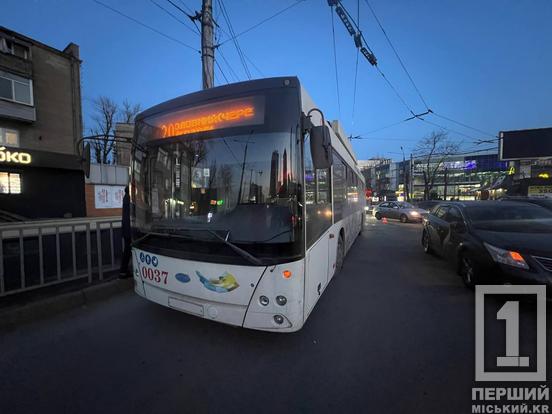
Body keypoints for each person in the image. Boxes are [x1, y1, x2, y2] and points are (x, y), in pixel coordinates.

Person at [119, 186, 131, 278]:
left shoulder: (125, 198)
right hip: (129, 230)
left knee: (127, 250)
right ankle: (123, 271)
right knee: (128, 250)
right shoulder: (128, 199)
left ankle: (123, 271)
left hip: (126, 229)